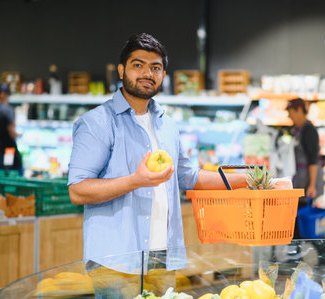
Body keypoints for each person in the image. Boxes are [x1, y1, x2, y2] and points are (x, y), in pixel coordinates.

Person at [68, 33, 247, 272]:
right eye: (138, 65)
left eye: (155, 67)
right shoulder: (97, 123)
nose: (147, 73)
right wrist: (135, 181)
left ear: (163, 75)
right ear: (121, 71)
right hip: (116, 262)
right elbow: (77, 191)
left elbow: (187, 177)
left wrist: (245, 180)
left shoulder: (167, 124)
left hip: (163, 258)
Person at [286, 98, 325, 266]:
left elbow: (314, 160)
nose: (290, 117)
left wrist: (312, 185)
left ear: (299, 110)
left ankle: (321, 253)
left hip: (307, 181)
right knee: (297, 219)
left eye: (291, 113)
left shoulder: (309, 130)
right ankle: (298, 255)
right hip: (300, 180)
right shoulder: (297, 129)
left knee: (301, 218)